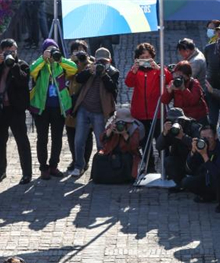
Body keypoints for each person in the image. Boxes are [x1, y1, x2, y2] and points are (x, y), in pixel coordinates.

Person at [0, 39, 34, 184]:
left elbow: (22, 81)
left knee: (22, 141)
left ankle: (27, 173)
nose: (10, 54)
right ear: (1, 51)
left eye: (13, 51)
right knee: (0, 142)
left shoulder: (22, 65)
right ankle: (1, 171)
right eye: (7, 51)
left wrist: (13, 66)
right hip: (0, 108)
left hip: (15, 109)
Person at [29, 39, 78, 182]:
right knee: (42, 138)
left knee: (57, 138)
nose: (51, 53)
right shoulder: (40, 64)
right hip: (42, 108)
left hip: (59, 108)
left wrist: (60, 59)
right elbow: (31, 71)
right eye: (49, 50)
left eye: (54, 49)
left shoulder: (61, 64)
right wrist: (42, 58)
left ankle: (53, 165)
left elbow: (74, 69)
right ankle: (43, 167)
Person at [70, 47, 120, 178]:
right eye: (99, 62)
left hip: (99, 112)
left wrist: (104, 74)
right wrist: (89, 71)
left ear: (109, 61)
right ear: (95, 60)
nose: (101, 64)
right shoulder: (90, 68)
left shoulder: (113, 72)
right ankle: (79, 166)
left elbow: (112, 88)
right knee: (79, 140)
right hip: (84, 109)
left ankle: (101, 168)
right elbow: (78, 79)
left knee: (100, 142)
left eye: (104, 62)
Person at [125, 43, 172, 173]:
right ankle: (149, 167)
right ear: (137, 58)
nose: (145, 60)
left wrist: (158, 68)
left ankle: (167, 168)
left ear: (152, 57)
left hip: (157, 113)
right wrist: (133, 70)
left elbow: (168, 79)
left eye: (147, 57)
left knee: (162, 141)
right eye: (142, 57)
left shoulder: (158, 69)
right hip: (140, 113)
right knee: (145, 143)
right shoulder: (136, 71)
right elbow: (128, 83)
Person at [65, 40, 95, 174]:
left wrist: (85, 61)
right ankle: (75, 159)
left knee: (87, 134)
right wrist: (73, 61)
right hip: (71, 102)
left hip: (86, 102)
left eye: (82, 50)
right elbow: (69, 75)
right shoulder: (68, 63)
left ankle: (85, 161)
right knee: (71, 133)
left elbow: (89, 74)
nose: (79, 52)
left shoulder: (91, 62)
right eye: (76, 50)